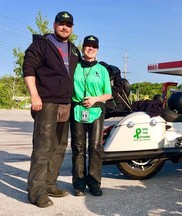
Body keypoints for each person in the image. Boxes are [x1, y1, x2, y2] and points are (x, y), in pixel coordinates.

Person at [22, 11, 80, 208]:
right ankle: (36, 192)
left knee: (59, 146)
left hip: (66, 103)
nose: (65, 27)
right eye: (61, 23)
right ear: (55, 25)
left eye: (68, 25)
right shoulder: (41, 44)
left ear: (72, 28)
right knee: (43, 147)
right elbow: (28, 68)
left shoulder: (73, 49)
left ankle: (49, 184)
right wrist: (34, 95)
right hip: (46, 102)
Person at [70, 35, 112, 197]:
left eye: (94, 46)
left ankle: (94, 183)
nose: (91, 48)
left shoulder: (102, 70)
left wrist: (95, 99)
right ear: (83, 48)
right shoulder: (76, 66)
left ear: (97, 49)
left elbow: (108, 94)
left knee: (95, 148)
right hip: (77, 110)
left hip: (95, 112)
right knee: (78, 148)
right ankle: (79, 184)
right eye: (88, 45)